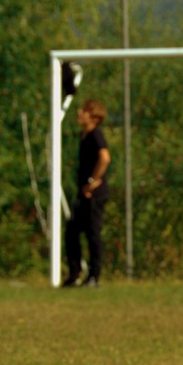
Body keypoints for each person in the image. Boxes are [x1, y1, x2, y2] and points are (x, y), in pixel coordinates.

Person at [63, 99, 111, 288]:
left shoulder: (95, 135)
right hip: (83, 193)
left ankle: (94, 277)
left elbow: (105, 158)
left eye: (84, 111)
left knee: (93, 234)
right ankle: (74, 275)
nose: (79, 112)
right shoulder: (83, 136)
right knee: (72, 232)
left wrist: (92, 182)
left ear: (94, 118)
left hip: (94, 195)